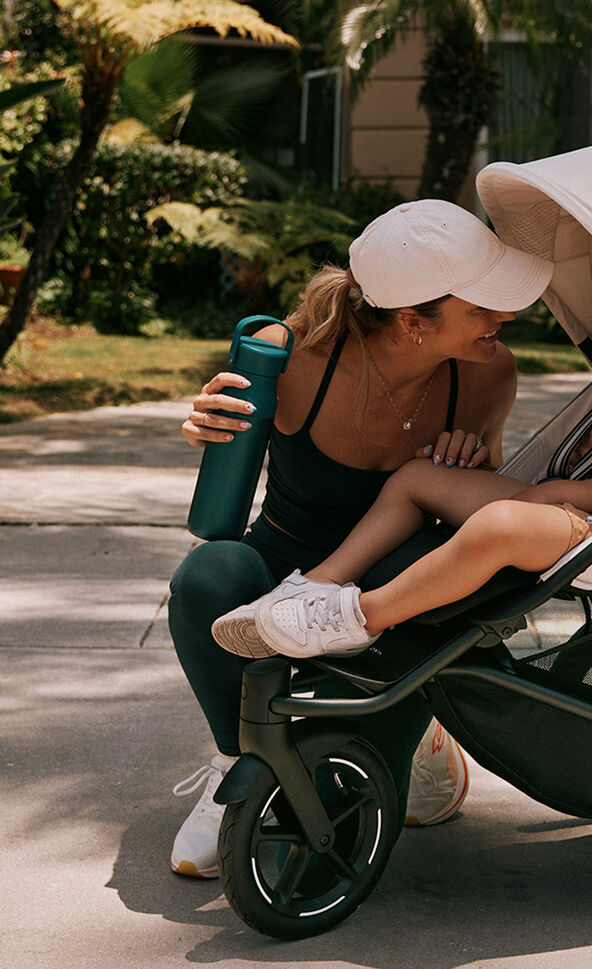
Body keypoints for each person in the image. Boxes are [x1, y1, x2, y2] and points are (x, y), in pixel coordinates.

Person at [164, 199, 550, 880]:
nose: (506, 317)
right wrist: (205, 425)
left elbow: (477, 495)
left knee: (436, 598)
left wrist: (469, 465)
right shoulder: (292, 356)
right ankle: (237, 761)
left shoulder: (488, 371)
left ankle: (405, 740)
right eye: (483, 305)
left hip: (393, 578)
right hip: (287, 557)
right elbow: (222, 454)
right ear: (412, 321)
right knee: (207, 579)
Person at [211, 237, 592, 660]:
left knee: (499, 526)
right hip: (557, 502)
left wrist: (558, 494)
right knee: (417, 478)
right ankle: (315, 586)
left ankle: (356, 618)